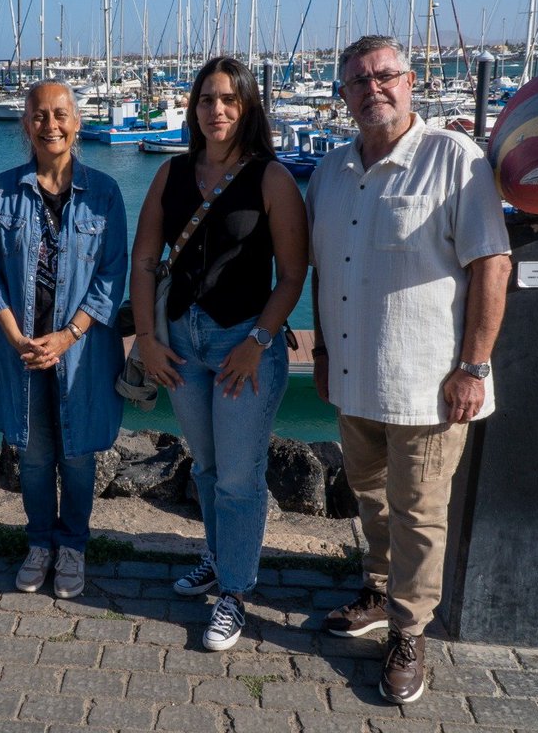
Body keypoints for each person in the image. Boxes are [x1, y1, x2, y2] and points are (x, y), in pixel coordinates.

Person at [307, 35, 511, 704]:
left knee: (420, 512)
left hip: (429, 384)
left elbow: (492, 264)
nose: (373, 90)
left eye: (385, 76)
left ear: (411, 80)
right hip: (354, 377)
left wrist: (474, 366)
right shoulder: (331, 171)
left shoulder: (454, 159)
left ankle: (410, 629)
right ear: (343, 96)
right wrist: (323, 351)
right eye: (358, 82)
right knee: (369, 494)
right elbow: (324, 266)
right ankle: (378, 588)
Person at [129, 57, 309, 650]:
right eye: (207, 99)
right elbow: (145, 260)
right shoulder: (173, 174)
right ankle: (217, 555)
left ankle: (233, 589)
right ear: (194, 107)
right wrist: (149, 341)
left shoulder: (272, 178)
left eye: (230, 99)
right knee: (205, 467)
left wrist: (258, 343)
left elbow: (291, 275)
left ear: (249, 106)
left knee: (238, 475)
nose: (218, 110)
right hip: (181, 344)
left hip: (242, 346)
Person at [0, 79, 127, 599]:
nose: (51, 124)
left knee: (79, 454)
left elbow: (112, 278)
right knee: (35, 456)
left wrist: (66, 336)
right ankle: (39, 543)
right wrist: (18, 338)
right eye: (39, 115)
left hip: (79, 353)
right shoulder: (2, 190)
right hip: (20, 353)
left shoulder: (105, 193)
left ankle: (74, 547)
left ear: (77, 122)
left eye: (60, 114)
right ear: (26, 124)